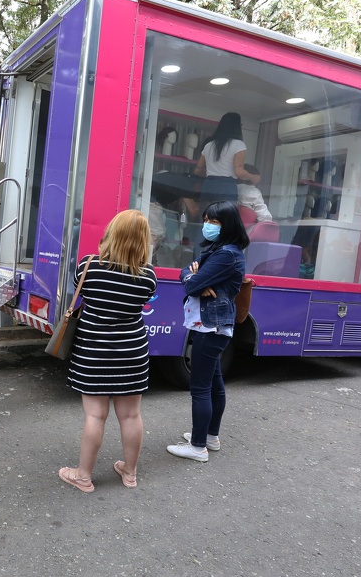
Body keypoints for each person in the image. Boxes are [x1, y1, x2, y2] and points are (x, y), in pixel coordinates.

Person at [58, 210, 157, 492]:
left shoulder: (88, 266)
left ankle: (84, 477)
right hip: (132, 353)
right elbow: (145, 298)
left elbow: (80, 291)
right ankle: (130, 473)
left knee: (94, 416)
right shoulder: (148, 276)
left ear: (112, 232)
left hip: (94, 352)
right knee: (130, 415)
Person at [167, 200, 249, 463]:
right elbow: (185, 272)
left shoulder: (227, 254)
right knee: (214, 383)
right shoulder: (217, 249)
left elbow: (191, 283)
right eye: (206, 220)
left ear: (228, 224)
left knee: (201, 387)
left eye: (214, 222)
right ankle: (210, 437)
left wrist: (196, 281)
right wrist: (196, 280)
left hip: (210, 325)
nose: (208, 226)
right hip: (212, 324)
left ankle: (198, 446)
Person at [193, 112, 260, 210]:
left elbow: (197, 171)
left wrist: (211, 175)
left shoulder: (209, 145)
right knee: (225, 221)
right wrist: (253, 177)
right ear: (237, 127)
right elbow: (239, 171)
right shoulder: (238, 144)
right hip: (226, 187)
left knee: (206, 219)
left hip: (208, 185)